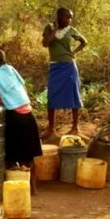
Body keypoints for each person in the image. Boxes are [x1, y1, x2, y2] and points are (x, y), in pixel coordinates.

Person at [0, 49, 42, 194]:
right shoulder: (11, 69)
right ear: (4, 61)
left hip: (14, 116)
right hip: (29, 113)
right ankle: (33, 188)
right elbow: (21, 86)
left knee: (10, 155)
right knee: (29, 155)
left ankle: (10, 187)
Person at [41, 7, 88, 139]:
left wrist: (73, 52)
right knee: (52, 95)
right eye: (67, 17)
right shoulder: (49, 28)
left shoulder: (71, 30)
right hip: (55, 66)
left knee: (73, 94)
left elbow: (84, 42)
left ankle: (75, 128)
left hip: (69, 66)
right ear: (59, 17)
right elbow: (46, 43)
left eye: (70, 18)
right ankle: (51, 129)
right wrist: (55, 29)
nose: (69, 20)